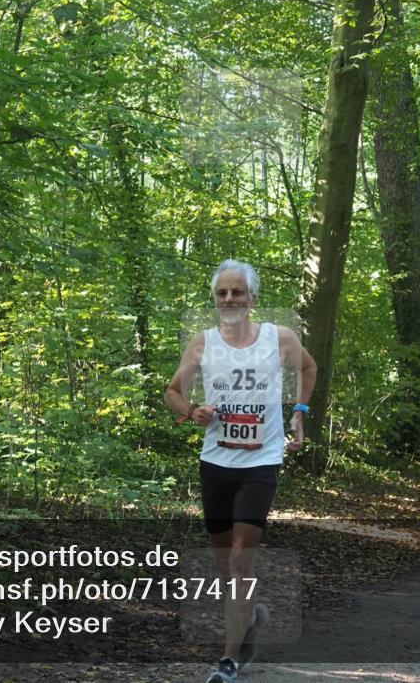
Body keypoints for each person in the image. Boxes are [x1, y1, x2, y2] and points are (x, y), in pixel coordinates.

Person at [165, 259, 317, 683]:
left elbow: (309, 367)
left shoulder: (279, 338)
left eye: (237, 292)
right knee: (222, 562)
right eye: (222, 293)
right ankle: (248, 619)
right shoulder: (202, 343)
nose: (229, 299)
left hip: (261, 461)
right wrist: (192, 411)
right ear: (215, 300)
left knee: (238, 559)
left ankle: (228, 661)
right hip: (215, 461)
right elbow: (172, 392)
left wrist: (299, 412)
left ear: (253, 297)